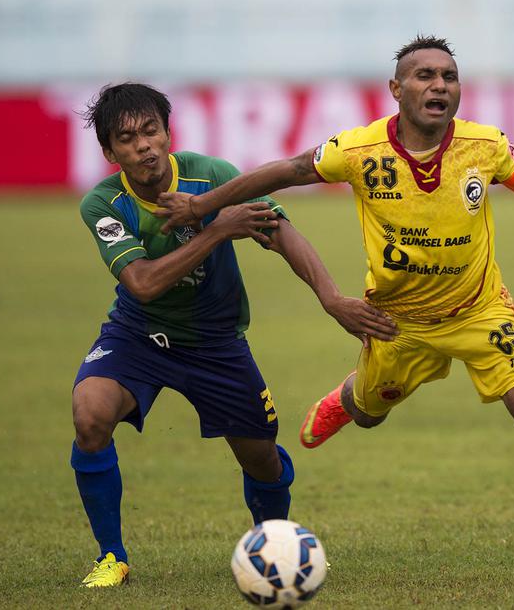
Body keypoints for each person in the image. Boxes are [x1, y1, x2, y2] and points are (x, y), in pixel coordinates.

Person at [156, 36, 514, 586]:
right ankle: (349, 398)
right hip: (397, 321)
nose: (438, 86)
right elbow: (287, 170)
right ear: (396, 89)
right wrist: (203, 205)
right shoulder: (357, 150)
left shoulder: (485, 146)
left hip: (481, 311)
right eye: (424, 76)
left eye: (448, 77)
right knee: (373, 411)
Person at [71, 83, 397, 588]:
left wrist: (331, 298)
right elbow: (143, 283)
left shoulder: (212, 176)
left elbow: (282, 232)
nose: (144, 146)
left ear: (168, 131)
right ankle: (112, 557)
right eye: (127, 138)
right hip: (139, 335)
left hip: (216, 343)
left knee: (261, 458)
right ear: (110, 152)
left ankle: (276, 547)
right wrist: (218, 229)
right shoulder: (103, 204)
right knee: (90, 416)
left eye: (151, 131)